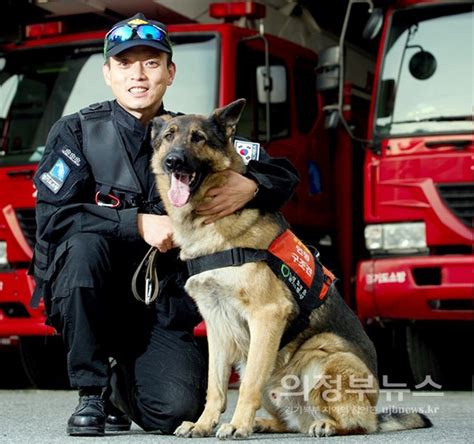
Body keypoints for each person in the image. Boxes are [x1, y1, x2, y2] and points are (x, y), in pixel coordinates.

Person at [31, 12, 299, 436]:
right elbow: (53, 216)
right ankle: (91, 392)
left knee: (176, 413)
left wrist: (251, 188)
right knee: (83, 248)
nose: (138, 75)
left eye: (151, 63)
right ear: (108, 73)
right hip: (91, 294)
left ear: (169, 73)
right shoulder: (77, 131)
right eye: (125, 64)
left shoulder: (192, 133)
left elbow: (283, 172)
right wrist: (136, 224)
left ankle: (124, 383)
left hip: (160, 303)